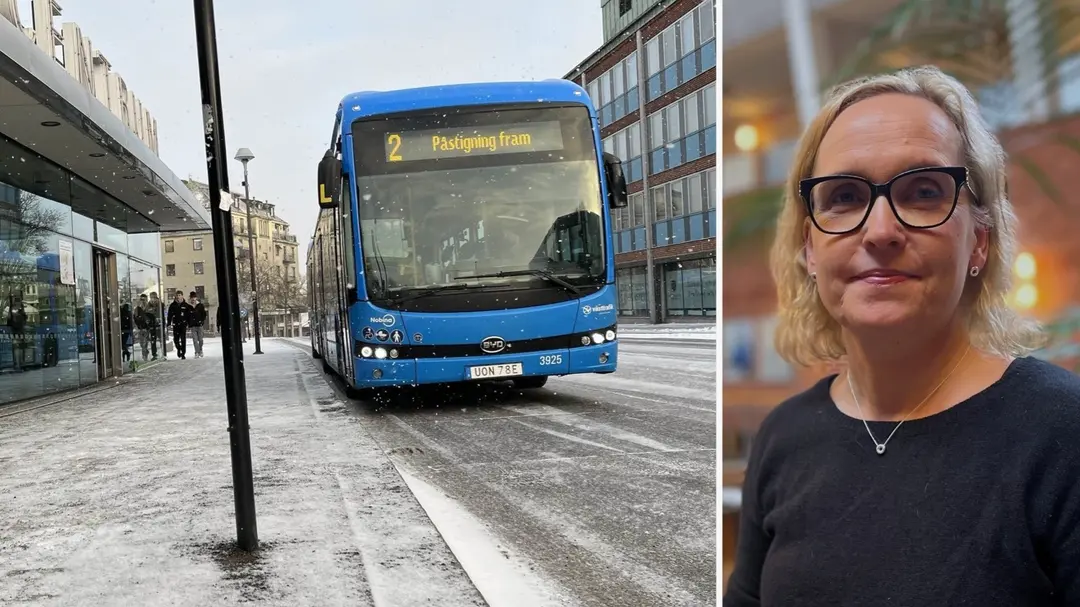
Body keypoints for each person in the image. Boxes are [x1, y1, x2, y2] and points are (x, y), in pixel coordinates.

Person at [723, 66, 1080, 606]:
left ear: (979, 241)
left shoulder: (1062, 434)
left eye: (923, 192)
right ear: (810, 249)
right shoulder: (784, 438)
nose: (882, 230)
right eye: (843, 196)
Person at [167, 290, 192, 360]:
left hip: (183, 325)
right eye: (177, 295)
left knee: (183, 339)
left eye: (179, 295)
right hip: (175, 325)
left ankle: (183, 353)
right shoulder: (172, 305)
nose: (178, 297)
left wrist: (189, 324)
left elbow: (188, 315)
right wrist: (169, 323)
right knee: (176, 340)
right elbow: (169, 315)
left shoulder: (185, 305)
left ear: (182, 296)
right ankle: (179, 348)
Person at [134, 294, 158, 361]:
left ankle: (153, 354)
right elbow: (135, 318)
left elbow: (154, 316)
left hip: (150, 327)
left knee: (151, 341)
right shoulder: (138, 309)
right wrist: (138, 326)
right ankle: (145, 354)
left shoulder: (150, 307)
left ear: (147, 300)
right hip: (142, 328)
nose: (143, 301)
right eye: (141, 299)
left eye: (144, 299)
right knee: (143, 343)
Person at [188, 291, 207, 358]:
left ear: (196, 298)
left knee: (200, 340)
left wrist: (201, 321)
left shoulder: (200, 306)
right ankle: (196, 352)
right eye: (192, 297)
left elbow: (204, 314)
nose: (193, 299)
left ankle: (200, 350)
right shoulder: (189, 307)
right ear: (190, 298)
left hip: (199, 325)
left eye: (194, 297)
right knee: (195, 340)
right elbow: (187, 316)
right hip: (193, 326)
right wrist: (189, 323)